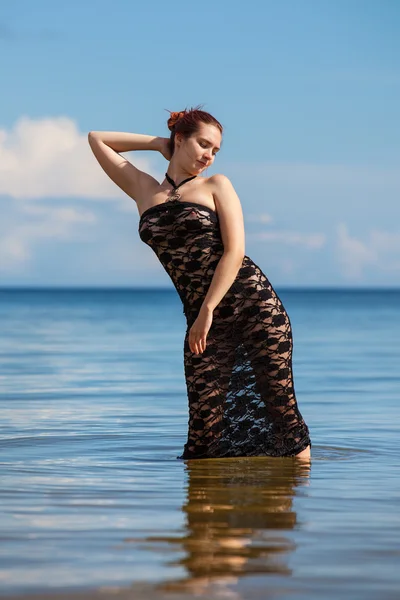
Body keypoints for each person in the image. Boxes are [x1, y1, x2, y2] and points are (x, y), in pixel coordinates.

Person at [88, 104, 311, 459]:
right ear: (180, 139)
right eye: (203, 144)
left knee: (281, 412)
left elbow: (235, 252)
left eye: (215, 150)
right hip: (202, 317)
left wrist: (206, 309)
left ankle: (297, 498)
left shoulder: (216, 185)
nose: (209, 156)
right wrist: (159, 143)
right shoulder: (145, 190)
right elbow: (97, 138)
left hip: (251, 306)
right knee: (204, 431)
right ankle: (207, 510)